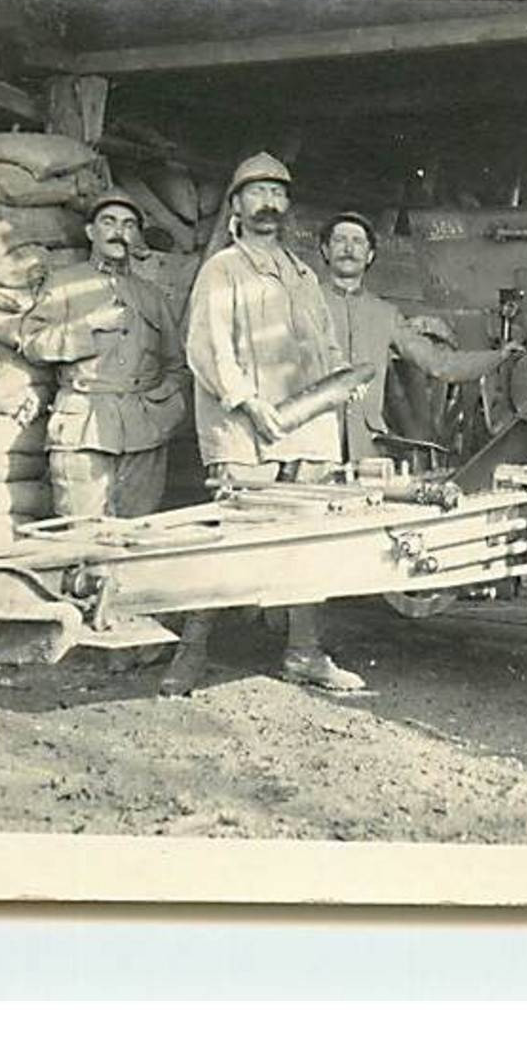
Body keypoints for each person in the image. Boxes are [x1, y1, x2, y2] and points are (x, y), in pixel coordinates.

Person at [159, 153, 363, 696]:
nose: (268, 202)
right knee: (231, 539)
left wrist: (342, 383)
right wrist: (247, 402)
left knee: (307, 541)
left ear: (286, 206)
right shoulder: (221, 269)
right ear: (237, 205)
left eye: (277, 193)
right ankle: (191, 654)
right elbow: (207, 347)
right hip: (245, 430)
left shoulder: (303, 276)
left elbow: (329, 347)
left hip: (309, 430)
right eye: (257, 193)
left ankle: (303, 653)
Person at [18, 187, 188, 520]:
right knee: (81, 537)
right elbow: (32, 344)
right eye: (108, 222)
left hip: (145, 434)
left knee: (137, 538)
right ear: (91, 232)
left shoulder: (152, 295)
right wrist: (88, 326)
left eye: (128, 225)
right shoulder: (65, 284)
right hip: (83, 431)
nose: (118, 232)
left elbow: (177, 365)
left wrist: (164, 408)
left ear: (136, 236)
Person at [317, 210, 520, 462]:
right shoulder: (304, 303)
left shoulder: (384, 314)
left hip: (365, 449)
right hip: (314, 444)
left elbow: (438, 363)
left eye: (358, 242)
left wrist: (497, 357)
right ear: (325, 251)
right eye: (340, 240)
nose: (349, 248)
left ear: (369, 256)